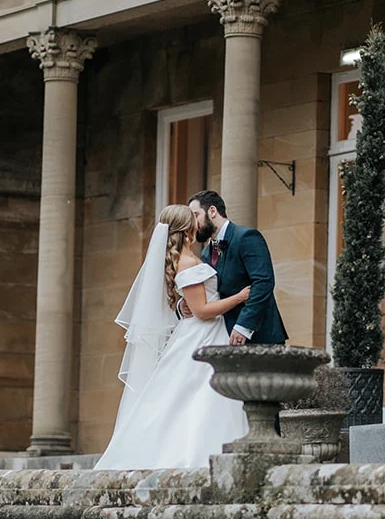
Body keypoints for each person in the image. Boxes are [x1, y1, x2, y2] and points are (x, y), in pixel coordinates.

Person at [95, 203, 253, 470]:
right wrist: (239, 298)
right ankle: (196, 457)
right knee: (200, 396)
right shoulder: (189, 262)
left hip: (200, 334)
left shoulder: (186, 259)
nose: (197, 220)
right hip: (203, 335)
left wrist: (182, 305)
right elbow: (202, 311)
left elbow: (191, 304)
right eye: (193, 218)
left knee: (190, 398)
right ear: (187, 227)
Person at [182, 190, 287, 345]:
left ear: (212, 211)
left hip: (259, 337)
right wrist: (184, 303)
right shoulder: (205, 253)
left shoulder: (246, 237)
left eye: (195, 215)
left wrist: (244, 326)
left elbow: (263, 283)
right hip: (222, 336)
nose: (192, 223)